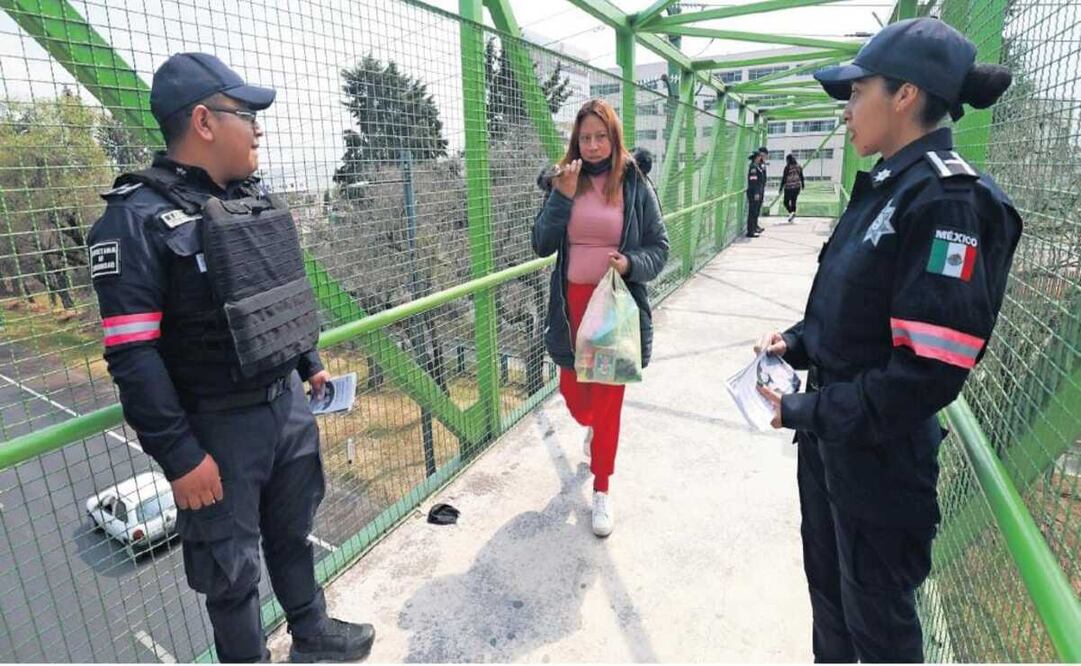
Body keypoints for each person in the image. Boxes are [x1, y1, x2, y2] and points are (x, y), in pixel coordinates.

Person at [86, 53, 375, 663]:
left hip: (287, 411)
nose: (258, 128)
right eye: (245, 114)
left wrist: (308, 362)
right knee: (231, 575)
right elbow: (133, 357)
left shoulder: (250, 198)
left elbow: (277, 294)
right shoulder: (131, 221)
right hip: (217, 431)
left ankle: (312, 632)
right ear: (204, 121)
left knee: (294, 536)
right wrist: (181, 456)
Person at [753, 18, 1020, 662]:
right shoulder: (888, 186)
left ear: (905, 96)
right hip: (833, 445)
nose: (848, 112)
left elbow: (926, 371)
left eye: (857, 92)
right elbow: (856, 310)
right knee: (831, 601)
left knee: (877, 629)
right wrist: (797, 344)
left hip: (878, 464)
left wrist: (808, 410)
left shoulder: (950, 203)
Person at [532, 99, 669, 538]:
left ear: (613, 138)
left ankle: (603, 488)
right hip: (570, 308)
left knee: (608, 404)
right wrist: (562, 196)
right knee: (575, 395)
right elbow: (541, 243)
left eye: (600, 137)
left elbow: (659, 247)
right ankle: (593, 430)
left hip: (614, 306)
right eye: (585, 138)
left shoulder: (633, 182)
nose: (592, 146)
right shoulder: (564, 179)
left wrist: (630, 264)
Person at [745, 147, 768, 237]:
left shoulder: (758, 166)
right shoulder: (753, 167)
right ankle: (750, 231)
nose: (760, 158)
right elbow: (753, 182)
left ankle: (754, 228)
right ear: (756, 158)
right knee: (752, 212)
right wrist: (756, 193)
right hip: (754, 193)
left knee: (756, 211)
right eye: (759, 157)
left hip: (758, 192)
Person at [780, 154, 805, 222]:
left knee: (786, 202)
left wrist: (781, 187)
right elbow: (801, 176)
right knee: (794, 201)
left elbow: (784, 178)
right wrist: (802, 185)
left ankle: (791, 212)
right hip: (797, 187)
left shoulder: (787, 167)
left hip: (789, 187)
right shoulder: (798, 166)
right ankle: (792, 214)